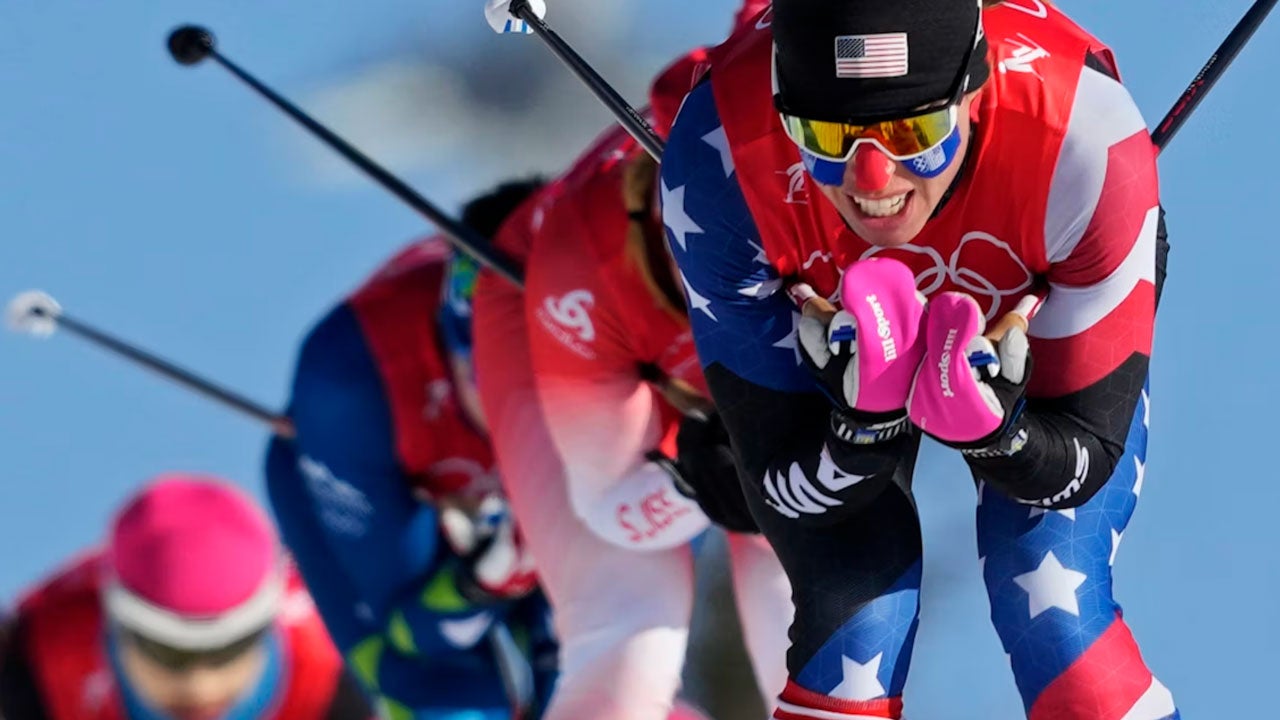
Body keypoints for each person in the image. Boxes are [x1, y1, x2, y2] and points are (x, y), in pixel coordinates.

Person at [659, 0, 1176, 718]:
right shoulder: (719, 160)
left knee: (1051, 593)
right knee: (857, 606)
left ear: (975, 89)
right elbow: (784, 486)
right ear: (785, 114)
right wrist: (858, 427)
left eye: (915, 132)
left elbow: (1082, 463)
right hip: (839, 322)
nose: (873, 182)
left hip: (1034, 294)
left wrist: (1001, 434)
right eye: (828, 136)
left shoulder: (1085, 139)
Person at [471, 14, 791, 720]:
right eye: (711, 230)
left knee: (817, 588)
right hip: (563, 335)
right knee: (630, 631)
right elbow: (610, 503)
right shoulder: (581, 270)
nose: (740, 263)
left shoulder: (831, 176)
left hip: (694, 376)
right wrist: (699, 480)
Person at [264, 182, 560, 720]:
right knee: (442, 694)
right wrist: (482, 582)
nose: (517, 412)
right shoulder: (351, 381)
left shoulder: (622, 334)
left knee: (596, 666)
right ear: (454, 350)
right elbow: (414, 636)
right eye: (492, 378)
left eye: (549, 382)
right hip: (377, 480)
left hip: (502, 514)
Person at [0, 473, 372, 720]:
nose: (200, 686)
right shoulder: (37, 657)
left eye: (228, 649)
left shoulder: (335, 658)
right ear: (118, 624)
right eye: (170, 653)